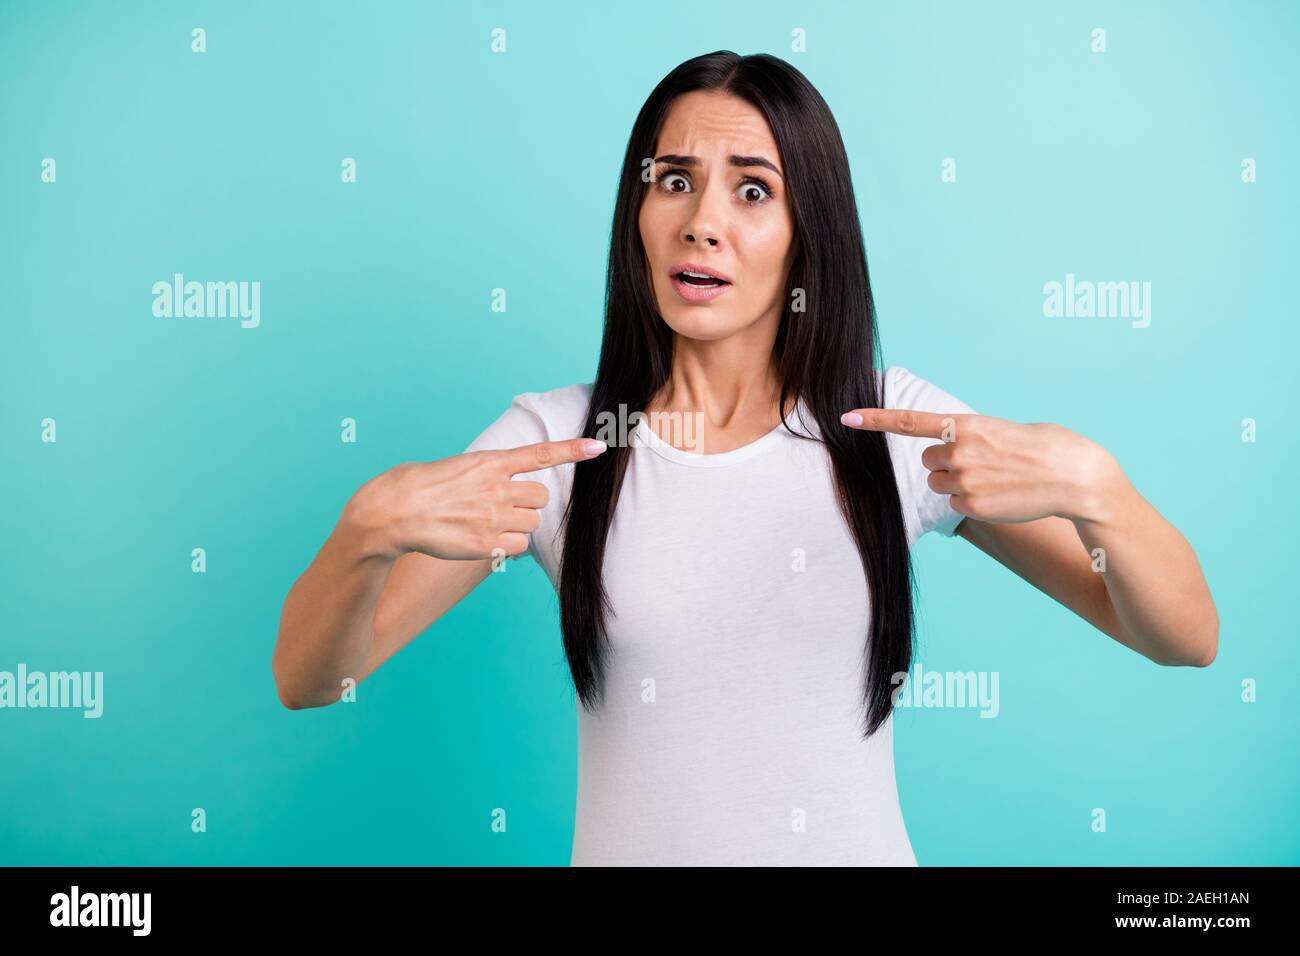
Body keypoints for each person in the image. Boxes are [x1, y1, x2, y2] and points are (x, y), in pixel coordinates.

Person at [272, 51, 1218, 866]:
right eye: (673, 179)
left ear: (810, 233)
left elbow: (1182, 639)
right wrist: (364, 533)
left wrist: (1103, 493)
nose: (702, 221)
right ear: (637, 210)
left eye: (753, 189)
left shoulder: (892, 429)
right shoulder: (556, 447)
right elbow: (310, 681)